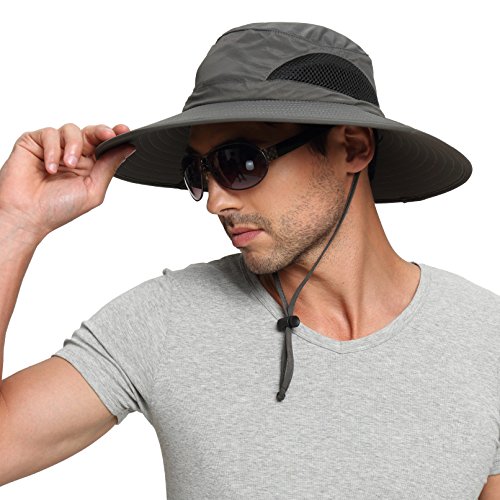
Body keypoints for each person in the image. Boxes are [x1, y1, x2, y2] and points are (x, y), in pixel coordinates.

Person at [0, 21, 499, 499]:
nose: (216, 202)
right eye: (199, 173)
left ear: (352, 147)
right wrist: (15, 223)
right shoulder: (169, 319)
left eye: (239, 163)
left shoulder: (486, 340)